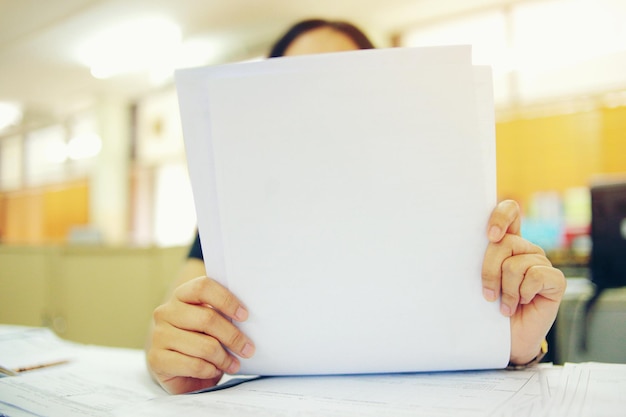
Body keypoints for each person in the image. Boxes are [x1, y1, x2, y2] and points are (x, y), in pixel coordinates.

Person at [145, 18, 566, 395]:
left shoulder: (445, 202)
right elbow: (177, 325)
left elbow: (504, 337)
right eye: (302, 84)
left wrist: (513, 343)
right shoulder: (232, 216)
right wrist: (174, 350)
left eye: (345, 82)